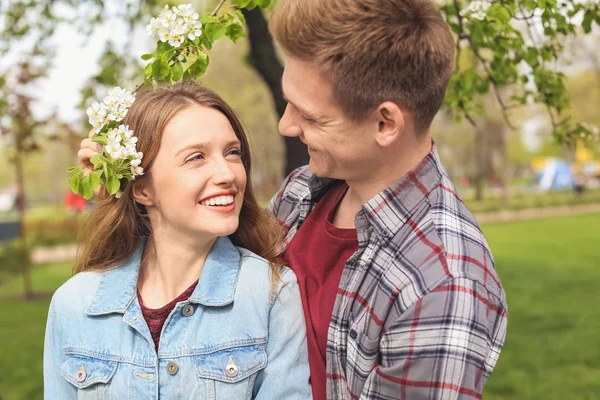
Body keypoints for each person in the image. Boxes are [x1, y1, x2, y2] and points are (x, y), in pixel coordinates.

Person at [79, 0, 508, 398]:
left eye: (310, 114)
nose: (286, 125)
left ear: (385, 122)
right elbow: (194, 274)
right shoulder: (304, 191)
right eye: (288, 102)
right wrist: (128, 189)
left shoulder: (442, 285)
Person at [45, 81, 311, 399]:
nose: (228, 174)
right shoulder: (72, 305)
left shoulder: (271, 293)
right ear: (142, 189)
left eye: (233, 152)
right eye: (196, 157)